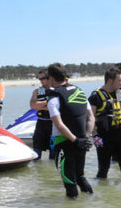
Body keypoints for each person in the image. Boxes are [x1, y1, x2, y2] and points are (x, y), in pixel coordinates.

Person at [46, 63, 95, 198]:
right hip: (82, 143)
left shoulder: (53, 99)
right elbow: (91, 118)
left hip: (64, 144)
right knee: (81, 177)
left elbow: (59, 125)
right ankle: (92, 203)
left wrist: (75, 140)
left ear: (51, 78)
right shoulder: (80, 92)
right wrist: (85, 137)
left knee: (69, 182)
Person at [88, 67, 121, 179]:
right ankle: (102, 193)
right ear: (110, 81)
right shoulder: (95, 97)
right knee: (103, 170)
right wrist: (94, 136)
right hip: (104, 139)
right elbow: (89, 119)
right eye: (119, 80)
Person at [29, 69, 54, 160]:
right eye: (39, 79)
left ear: (49, 78)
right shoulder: (37, 91)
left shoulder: (56, 90)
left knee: (53, 156)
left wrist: (39, 105)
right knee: (36, 154)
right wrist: (48, 102)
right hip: (41, 123)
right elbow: (32, 105)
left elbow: (57, 108)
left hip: (54, 124)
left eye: (43, 78)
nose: (41, 81)